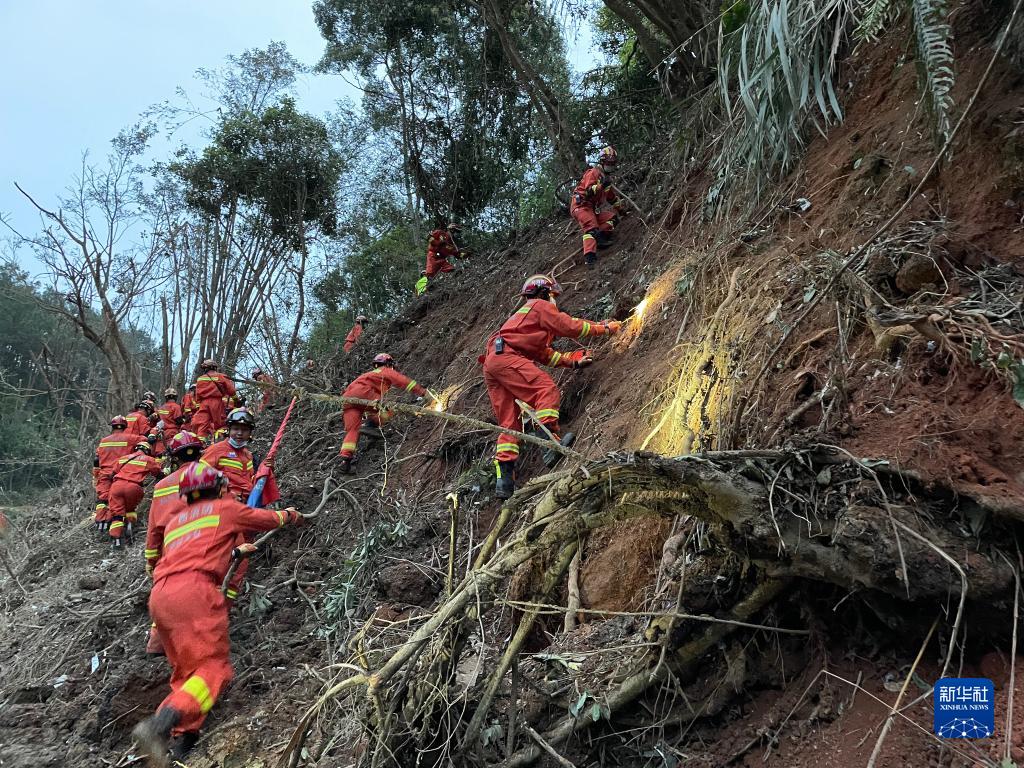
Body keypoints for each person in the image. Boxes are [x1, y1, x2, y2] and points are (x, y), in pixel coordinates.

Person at [131, 464, 306, 765]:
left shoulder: (175, 521)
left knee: (187, 671)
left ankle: (183, 739)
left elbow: (196, 547)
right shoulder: (225, 507)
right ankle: (160, 723)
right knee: (214, 669)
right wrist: (290, 515)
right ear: (220, 487)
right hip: (195, 592)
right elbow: (266, 519)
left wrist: (234, 552)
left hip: (160, 596)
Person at [480, 274, 620, 498]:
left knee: (509, 424)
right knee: (545, 389)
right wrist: (605, 328)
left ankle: (504, 480)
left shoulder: (525, 323)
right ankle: (549, 442)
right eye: (554, 295)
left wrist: (573, 362)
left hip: (493, 362)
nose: (555, 300)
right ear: (545, 293)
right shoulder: (539, 306)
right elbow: (571, 326)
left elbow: (546, 356)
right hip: (506, 358)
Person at [144, 431, 205, 657]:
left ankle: (157, 645)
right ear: (199, 454)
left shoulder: (161, 488)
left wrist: (152, 560)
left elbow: (153, 531)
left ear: (174, 458)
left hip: (171, 551)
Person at [338, 353, 432, 474]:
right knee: (389, 409)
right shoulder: (385, 371)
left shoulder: (367, 375)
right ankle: (370, 426)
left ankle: (345, 461)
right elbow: (403, 381)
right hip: (363, 392)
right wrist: (423, 393)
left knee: (352, 430)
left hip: (347, 399)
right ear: (388, 363)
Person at [570, 146, 628, 266]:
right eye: (608, 163)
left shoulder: (606, 179)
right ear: (602, 161)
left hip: (590, 208)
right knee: (591, 227)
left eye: (613, 163)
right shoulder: (593, 173)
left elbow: (612, 198)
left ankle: (600, 237)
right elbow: (588, 191)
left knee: (612, 218)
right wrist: (601, 185)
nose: (610, 165)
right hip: (581, 206)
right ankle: (590, 257)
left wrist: (621, 210)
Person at [108, 439, 165, 548]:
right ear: (148, 451)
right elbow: (158, 474)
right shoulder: (149, 459)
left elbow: (112, 474)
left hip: (117, 486)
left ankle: (116, 541)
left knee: (117, 515)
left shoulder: (123, 458)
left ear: (136, 449)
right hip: (134, 487)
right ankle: (130, 531)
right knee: (130, 510)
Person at [200, 408, 257, 500]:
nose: (239, 433)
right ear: (229, 430)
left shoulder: (248, 455)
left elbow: (249, 481)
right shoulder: (216, 450)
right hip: (223, 504)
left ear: (250, 433)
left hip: (246, 504)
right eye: (235, 429)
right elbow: (199, 476)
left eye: (244, 430)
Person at [93, 416, 132, 531]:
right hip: (119, 475)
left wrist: (96, 475)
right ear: (125, 426)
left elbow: (96, 460)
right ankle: (114, 523)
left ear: (112, 426)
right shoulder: (131, 438)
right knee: (117, 500)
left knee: (103, 499)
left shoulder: (104, 441)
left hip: (104, 473)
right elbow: (145, 443)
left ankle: (100, 522)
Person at [192, 360, 236, 441]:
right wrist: (236, 400)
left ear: (205, 368)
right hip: (216, 402)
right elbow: (232, 391)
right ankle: (220, 441)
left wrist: (199, 407)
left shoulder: (200, 379)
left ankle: (200, 444)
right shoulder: (221, 376)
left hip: (203, 404)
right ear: (215, 367)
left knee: (202, 425)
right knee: (221, 423)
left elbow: (197, 395)